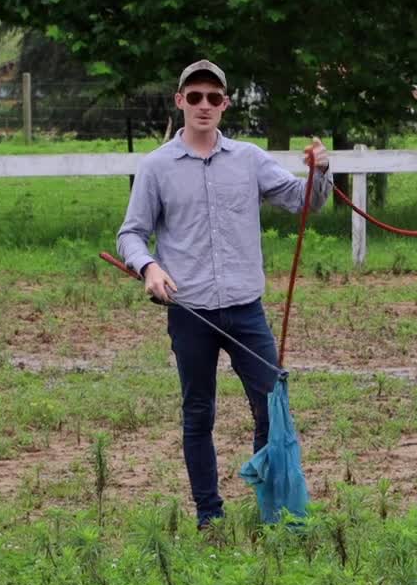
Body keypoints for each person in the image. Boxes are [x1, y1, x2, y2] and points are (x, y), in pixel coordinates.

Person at [117, 59, 331, 530]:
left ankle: (272, 511)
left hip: (246, 309)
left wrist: (323, 169)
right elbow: (130, 234)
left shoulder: (250, 159)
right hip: (190, 311)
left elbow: (305, 202)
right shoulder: (155, 167)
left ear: (226, 104)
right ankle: (209, 517)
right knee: (199, 413)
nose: (204, 105)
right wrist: (148, 266)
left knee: (271, 408)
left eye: (214, 98)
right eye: (195, 97)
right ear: (180, 102)